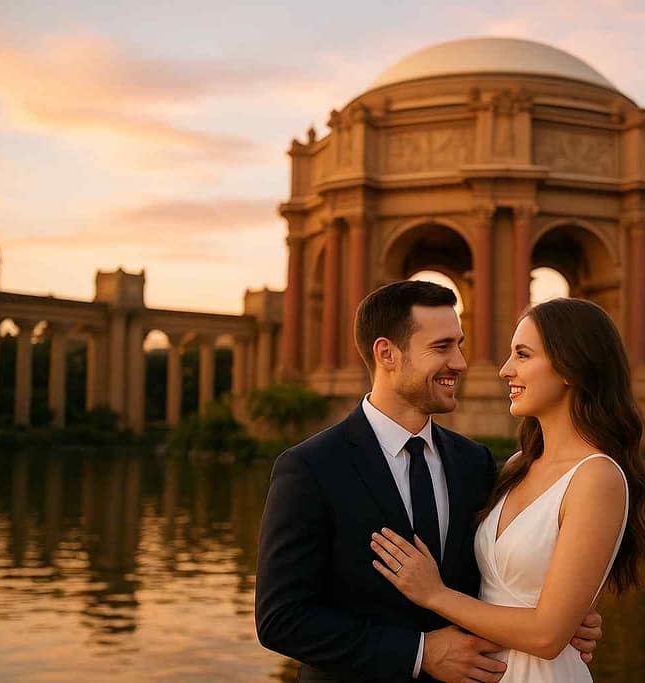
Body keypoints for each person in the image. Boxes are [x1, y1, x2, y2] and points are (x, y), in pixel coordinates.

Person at [255, 281, 602, 682]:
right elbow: (281, 619)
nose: (460, 362)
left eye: (460, 344)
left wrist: (563, 616)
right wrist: (419, 653)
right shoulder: (310, 468)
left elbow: (497, 572)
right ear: (387, 353)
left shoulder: (474, 462)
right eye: (441, 347)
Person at [370, 297, 645, 681]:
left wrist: (434, 594)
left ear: (571, 367)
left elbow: (547, 635)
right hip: (483, 670)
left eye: (522, 355)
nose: (504, 371)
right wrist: (574, 614)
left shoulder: (597, 477)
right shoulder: (517, 464)